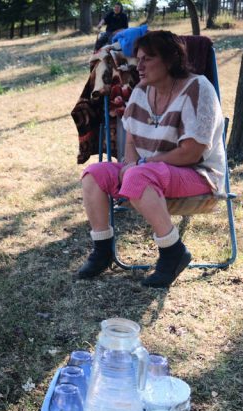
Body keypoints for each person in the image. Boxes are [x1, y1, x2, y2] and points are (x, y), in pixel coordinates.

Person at [77, 30, 226, 288]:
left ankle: (173, 251)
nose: (139, 66)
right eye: (138, 58)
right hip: (149, 175)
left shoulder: (198, 89)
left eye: (148, 59)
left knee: (137, 175)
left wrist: (142, 167)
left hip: (198, 174)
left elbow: (192, 152)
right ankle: (102, 250)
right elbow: (132, 139)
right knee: (95, 174)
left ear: (170, 60)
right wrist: (132, 163)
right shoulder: (142, 91)